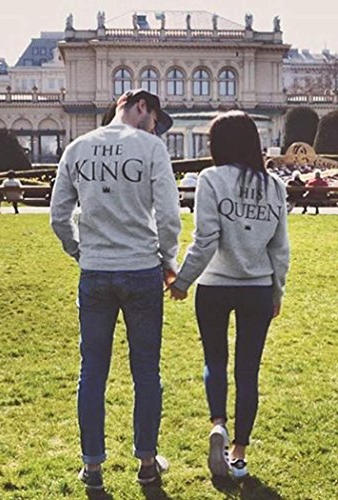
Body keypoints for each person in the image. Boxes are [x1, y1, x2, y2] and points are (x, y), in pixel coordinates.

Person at [50, 89, 180, 490]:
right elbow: (169, 216)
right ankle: (146, 462)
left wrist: (79, 251)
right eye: (154, 120)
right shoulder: (151, 148)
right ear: (141, 106)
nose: (154, 128)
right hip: (141, 269)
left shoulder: (77, 148)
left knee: (92, 371)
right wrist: (167, 259)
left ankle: (92, 467)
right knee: (146, 371)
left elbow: (58, 216)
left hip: (96, 271)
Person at [169, 111, 290, 479]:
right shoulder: (274, 186)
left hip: (214, 286)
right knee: (248, 371)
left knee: (215, 361)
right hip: (258, 287)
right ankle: (238, 454)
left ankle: (218, 424)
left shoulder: (211, 179)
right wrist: (277, 291)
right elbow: (280, 249)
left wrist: (182, 281)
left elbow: (205, 240)